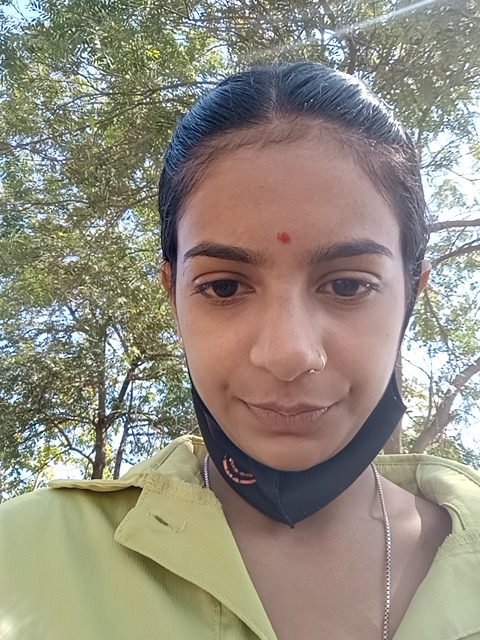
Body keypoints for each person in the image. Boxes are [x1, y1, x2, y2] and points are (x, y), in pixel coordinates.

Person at [1, 62, 479, 640]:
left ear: (411, 294)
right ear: (174, 297)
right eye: (224, 287)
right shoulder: (20, 559)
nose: (288, 354)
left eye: (349, 285)